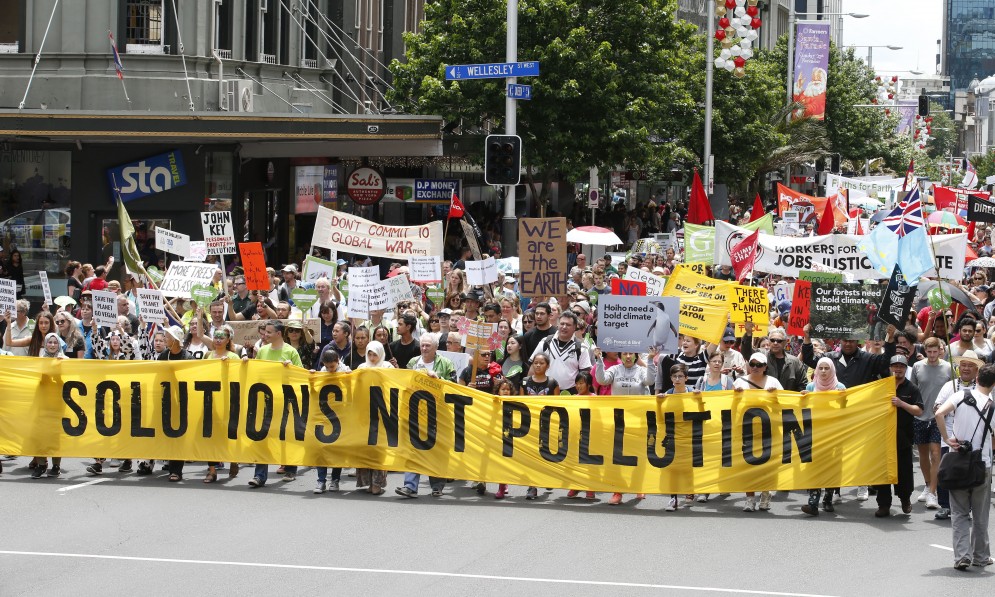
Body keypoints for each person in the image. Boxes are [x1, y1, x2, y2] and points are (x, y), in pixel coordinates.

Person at [934, 362, 994, 570]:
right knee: (980, 513)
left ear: (977, 378)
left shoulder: (960, 396)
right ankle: (980, 555)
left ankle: (962, 556)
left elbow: (939, 413)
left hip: (957, 460)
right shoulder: (992, 405)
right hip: (982, 463)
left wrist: (947, 438)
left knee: (959, 512)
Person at [594, 348, 655, 505]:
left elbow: (650, 381)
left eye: (631, 353)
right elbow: (601, 380)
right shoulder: (615, 369)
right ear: (620, 355)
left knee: (638, 454)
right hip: (619, 420)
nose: (628, 356)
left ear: (635, 355)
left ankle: (638, 485)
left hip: (638, 421)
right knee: (617, 456)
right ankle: (617, 491)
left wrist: (650, 360)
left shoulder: (641, 370)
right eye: (625, 353)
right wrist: (599, 359)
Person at [246, 320, 303, 488]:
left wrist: (291, 368)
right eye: (265, 332)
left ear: (279, 334)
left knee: (286, 435)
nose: (265, 335)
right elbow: (256, 373)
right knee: (262, 437)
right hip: (266, 401)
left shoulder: (291, 352)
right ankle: (259, 476)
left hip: (285, 401)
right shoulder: (262, 351)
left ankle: (291, 468)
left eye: (269, 332)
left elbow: (301, 375)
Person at [931, 349, 983, 520]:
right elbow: (937, 407)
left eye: (970, 366)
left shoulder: (983, 389)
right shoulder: (949, 386)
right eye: (963, 365)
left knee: (968, 473)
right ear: (958, 367)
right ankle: (945, 505)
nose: (966, 368)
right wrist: (939, 409)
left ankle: (966, 508)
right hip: (950, 435)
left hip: (974, 437)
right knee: (946, 471)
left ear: (977, 369)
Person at [873, 355, 924, 518]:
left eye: (901, 366)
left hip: (903, 438)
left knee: (904, 472)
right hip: (882, 437)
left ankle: (905, 499)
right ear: (890, 368)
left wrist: (902, 404)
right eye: (894, 366)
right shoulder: (881, 387)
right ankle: (884, 505)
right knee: (883, 471)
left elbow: (919, 410)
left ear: (905, 368)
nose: (898, 369)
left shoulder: (912, 388)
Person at [733, 352, 783, 512]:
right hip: (747, 430)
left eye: (759, 365)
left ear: (765, 367)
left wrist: (774, 396)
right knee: (748, 464)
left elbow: (784, 404)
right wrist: (736, 396)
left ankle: (766, 494)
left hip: (769, 430)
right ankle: (749, 498)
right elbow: (731, 407)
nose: (755, 368)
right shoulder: (739, 382)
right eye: (752, 364)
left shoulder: (773, 381)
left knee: (768, 465)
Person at [909, 337, 953, 511]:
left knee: (936, 454)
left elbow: (953, 390)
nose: (933, 355)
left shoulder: (948, 367)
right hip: (920, 416)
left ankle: (933, 493)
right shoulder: (917, 367)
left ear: (941, 350)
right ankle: (928, 485)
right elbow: (912, 390)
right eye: (930, 352)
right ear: (925, 351)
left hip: (939, 417)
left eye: (936, 351)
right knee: (923, 456)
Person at [800, 358, 846, 516]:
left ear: (832, 370)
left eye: (827, 368)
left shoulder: (840, 387)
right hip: (816, 433)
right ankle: (813, 502)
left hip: (835, 433)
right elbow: (806, 411)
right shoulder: (811, 387)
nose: (824, 371)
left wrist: (843, 398)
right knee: (815, 466)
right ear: (816, 371)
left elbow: (846, 411)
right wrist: (804, 399)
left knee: (832, 466)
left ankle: (828, 498)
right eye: (821, 368)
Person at [354, 340, 393, 495]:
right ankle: (367, 482)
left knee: (379, 449)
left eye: (375, 354)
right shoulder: (362, 368)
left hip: (382, 413)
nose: (371, 357)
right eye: (369, 354)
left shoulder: (387, 368)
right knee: (365, 448)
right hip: (364, 413)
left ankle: (377, 483)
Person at [313, 350, 350, 494]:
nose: (330, 370)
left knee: (336, 450)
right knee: (321, 449)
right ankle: (321, 480)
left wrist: (348, 378)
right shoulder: (322, 373)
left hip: (340, 417)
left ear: (338, 362)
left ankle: (335, 480)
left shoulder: (346, 372)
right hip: (324, 416)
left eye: (332, 367)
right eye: (327, 367)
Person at [528, 312, 592, 394]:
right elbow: (533, 367)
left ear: (574, 327)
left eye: (568, 325)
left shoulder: (581, 348)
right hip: (545, 392)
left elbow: (585, 375)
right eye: (562, 324)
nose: (564, 327)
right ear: (558, 325)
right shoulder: (545, 342)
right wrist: (528, 387)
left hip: (571, 394)